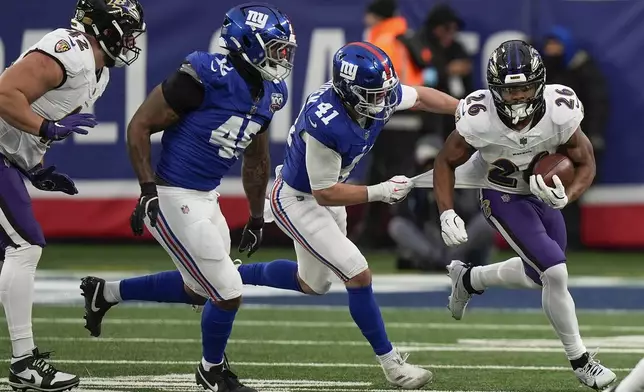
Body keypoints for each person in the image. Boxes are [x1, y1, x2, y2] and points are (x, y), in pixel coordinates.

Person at [78, 4, 296, 392]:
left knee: (198, 289)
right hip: (171, 194)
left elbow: (257, 159)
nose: (283, 57)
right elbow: (139, 126)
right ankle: (210, 371)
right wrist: (147, 190)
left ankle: (104, 293)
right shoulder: (205, 75)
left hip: (205, 196)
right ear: (248, 44)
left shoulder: (271, 91)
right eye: (276, 48)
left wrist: (256, 215)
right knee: (228, 291)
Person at [236, 41, 459, 389]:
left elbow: (423, 97)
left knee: (313, 284)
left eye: (384, 92)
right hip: (298, 198)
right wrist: (380, 191)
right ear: (348, 91)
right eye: (373, 95)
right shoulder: (328, 121)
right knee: (358, 274)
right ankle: (393, 366)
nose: (382, 101)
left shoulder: (374, 94)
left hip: (326, 193)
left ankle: (231, 276)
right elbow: (324, 193)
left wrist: (463, 109)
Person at [417, 40, 616, 389]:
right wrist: (446, 212)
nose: (519, 97)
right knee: (554, 272)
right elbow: (445, 161)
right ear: (494, 90)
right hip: (503, 193)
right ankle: (581, 361)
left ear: (539, 85)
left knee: (536, 274)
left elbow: (586, 162)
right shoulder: (479, 118)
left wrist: (565, 197)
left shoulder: (560, 109)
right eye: (510, 91)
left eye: (525, 88)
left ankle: (469, 279)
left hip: (542, 195)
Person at [0, 0, 145, 390]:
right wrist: (46, 128)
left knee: (18, 248)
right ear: (103, 26)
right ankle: (23, 363)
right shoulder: (71, 50)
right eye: (126, 30)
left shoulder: (99, 74)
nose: (131, 40)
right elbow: (4, 94)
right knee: (26, 246)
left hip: (8, 159)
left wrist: (36, 169)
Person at [388, 135, 494, 271]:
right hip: (432, 238)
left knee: (484, 222)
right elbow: (408, 217)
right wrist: (424, 197)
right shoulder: (413, 181)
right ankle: (437, 260)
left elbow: (470, 210)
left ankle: (451, 259)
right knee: (397, 226)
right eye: (425, 164)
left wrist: (447, 194)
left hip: (460, 236)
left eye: (432, 163)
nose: (429, 168)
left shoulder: (461, 175)